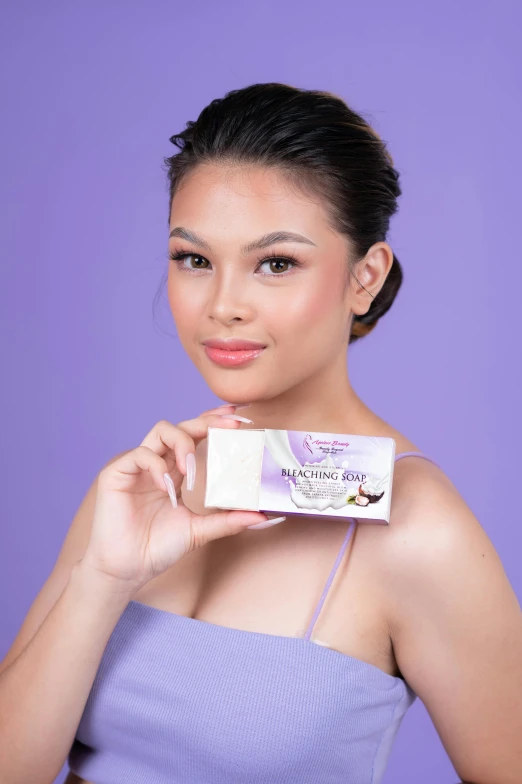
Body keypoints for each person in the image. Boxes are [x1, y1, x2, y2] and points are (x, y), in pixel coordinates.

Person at [1, 82, 521, 784]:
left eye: (276, 263)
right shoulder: (143, 486)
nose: (222, 306)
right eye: (194, 259)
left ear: (365, 278)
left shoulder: (418, 526)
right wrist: (101, 579)